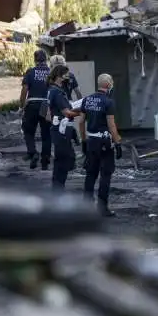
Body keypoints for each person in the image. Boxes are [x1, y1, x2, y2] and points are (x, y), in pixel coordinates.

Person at [78, 73, 122, 217]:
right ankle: (102, 208)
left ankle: (85, 207)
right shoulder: (108, 102)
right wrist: (118, 143)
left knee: (90, 174)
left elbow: (81, 122)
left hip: (91, 141)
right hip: (104, 143)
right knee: (105, 175)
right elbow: (111, 125)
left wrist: (83, 141)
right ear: (108, 84)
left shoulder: (87, 99)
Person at [47, 65, 81, 191]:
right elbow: (67, 112)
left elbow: (48, 115)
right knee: (64, 159)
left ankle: (57, 188)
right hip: (62, 129)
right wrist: (82, 112)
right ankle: (58, 189)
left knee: (60, 159)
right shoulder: (58, 92)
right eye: (66, 75)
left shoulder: (52, 90)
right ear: (60, 76)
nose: (69, 77)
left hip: (57, 128)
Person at [19, 49, 52, 170]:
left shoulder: (30, 72)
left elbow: (24, 90)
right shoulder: (51, 72)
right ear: (46, 59)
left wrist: (22, 106)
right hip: (46, 105)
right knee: (46, 134)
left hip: (32, 105)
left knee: (28, 131)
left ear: (35, 59)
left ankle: (33, 153)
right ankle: (46, 158)